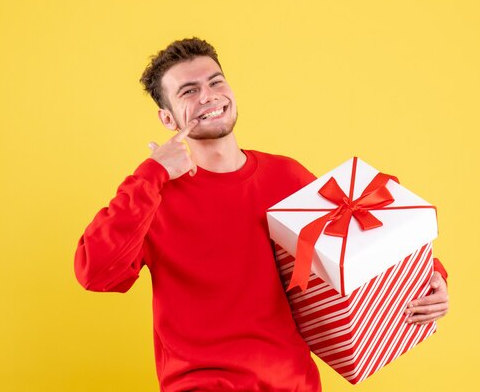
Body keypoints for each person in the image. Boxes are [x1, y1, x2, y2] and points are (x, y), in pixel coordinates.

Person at [74, 38, 449, 391]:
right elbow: (96, 272)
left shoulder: (285, 176)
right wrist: (151, 173)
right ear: (168, 119)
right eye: (188, 91)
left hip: (294, 382)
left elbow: (353, 247)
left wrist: (434, 277)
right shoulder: (152, 197)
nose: (208, 96)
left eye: (215, 81)